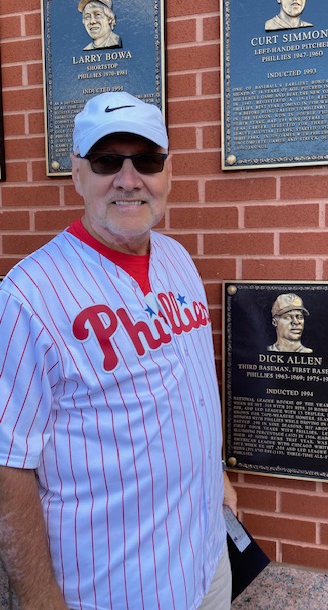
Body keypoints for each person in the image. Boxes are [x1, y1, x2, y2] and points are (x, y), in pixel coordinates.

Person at [0, 92, 237, 610]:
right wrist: (39, 600)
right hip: (112, 589)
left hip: (205, 561)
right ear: (77, 173)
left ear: (168, 172)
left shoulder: (176, 258)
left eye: (147, 160)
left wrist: (215, 472)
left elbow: (189, 384)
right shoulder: (28, 296)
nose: (129, 180)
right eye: (107, 160)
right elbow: (7, 462)